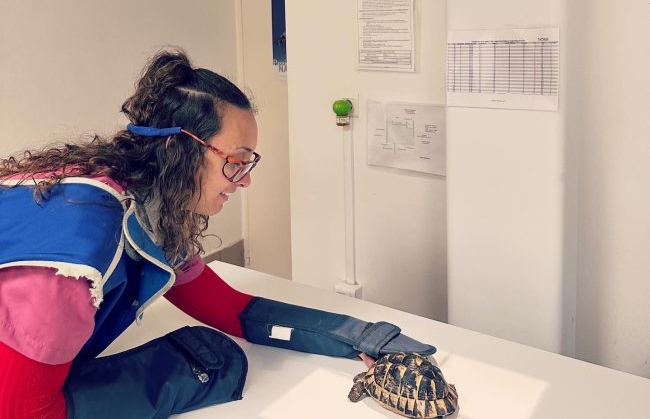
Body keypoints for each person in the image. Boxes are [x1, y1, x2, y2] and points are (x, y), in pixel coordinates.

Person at [0, 49, 434, 418]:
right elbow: (23, 412)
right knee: (208, 363)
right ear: (177, 148)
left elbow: (227, 306)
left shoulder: (146, 204)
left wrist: (362, 336)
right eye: (236, 162)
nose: (246, 180)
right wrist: (182, 372)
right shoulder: (73, 259)